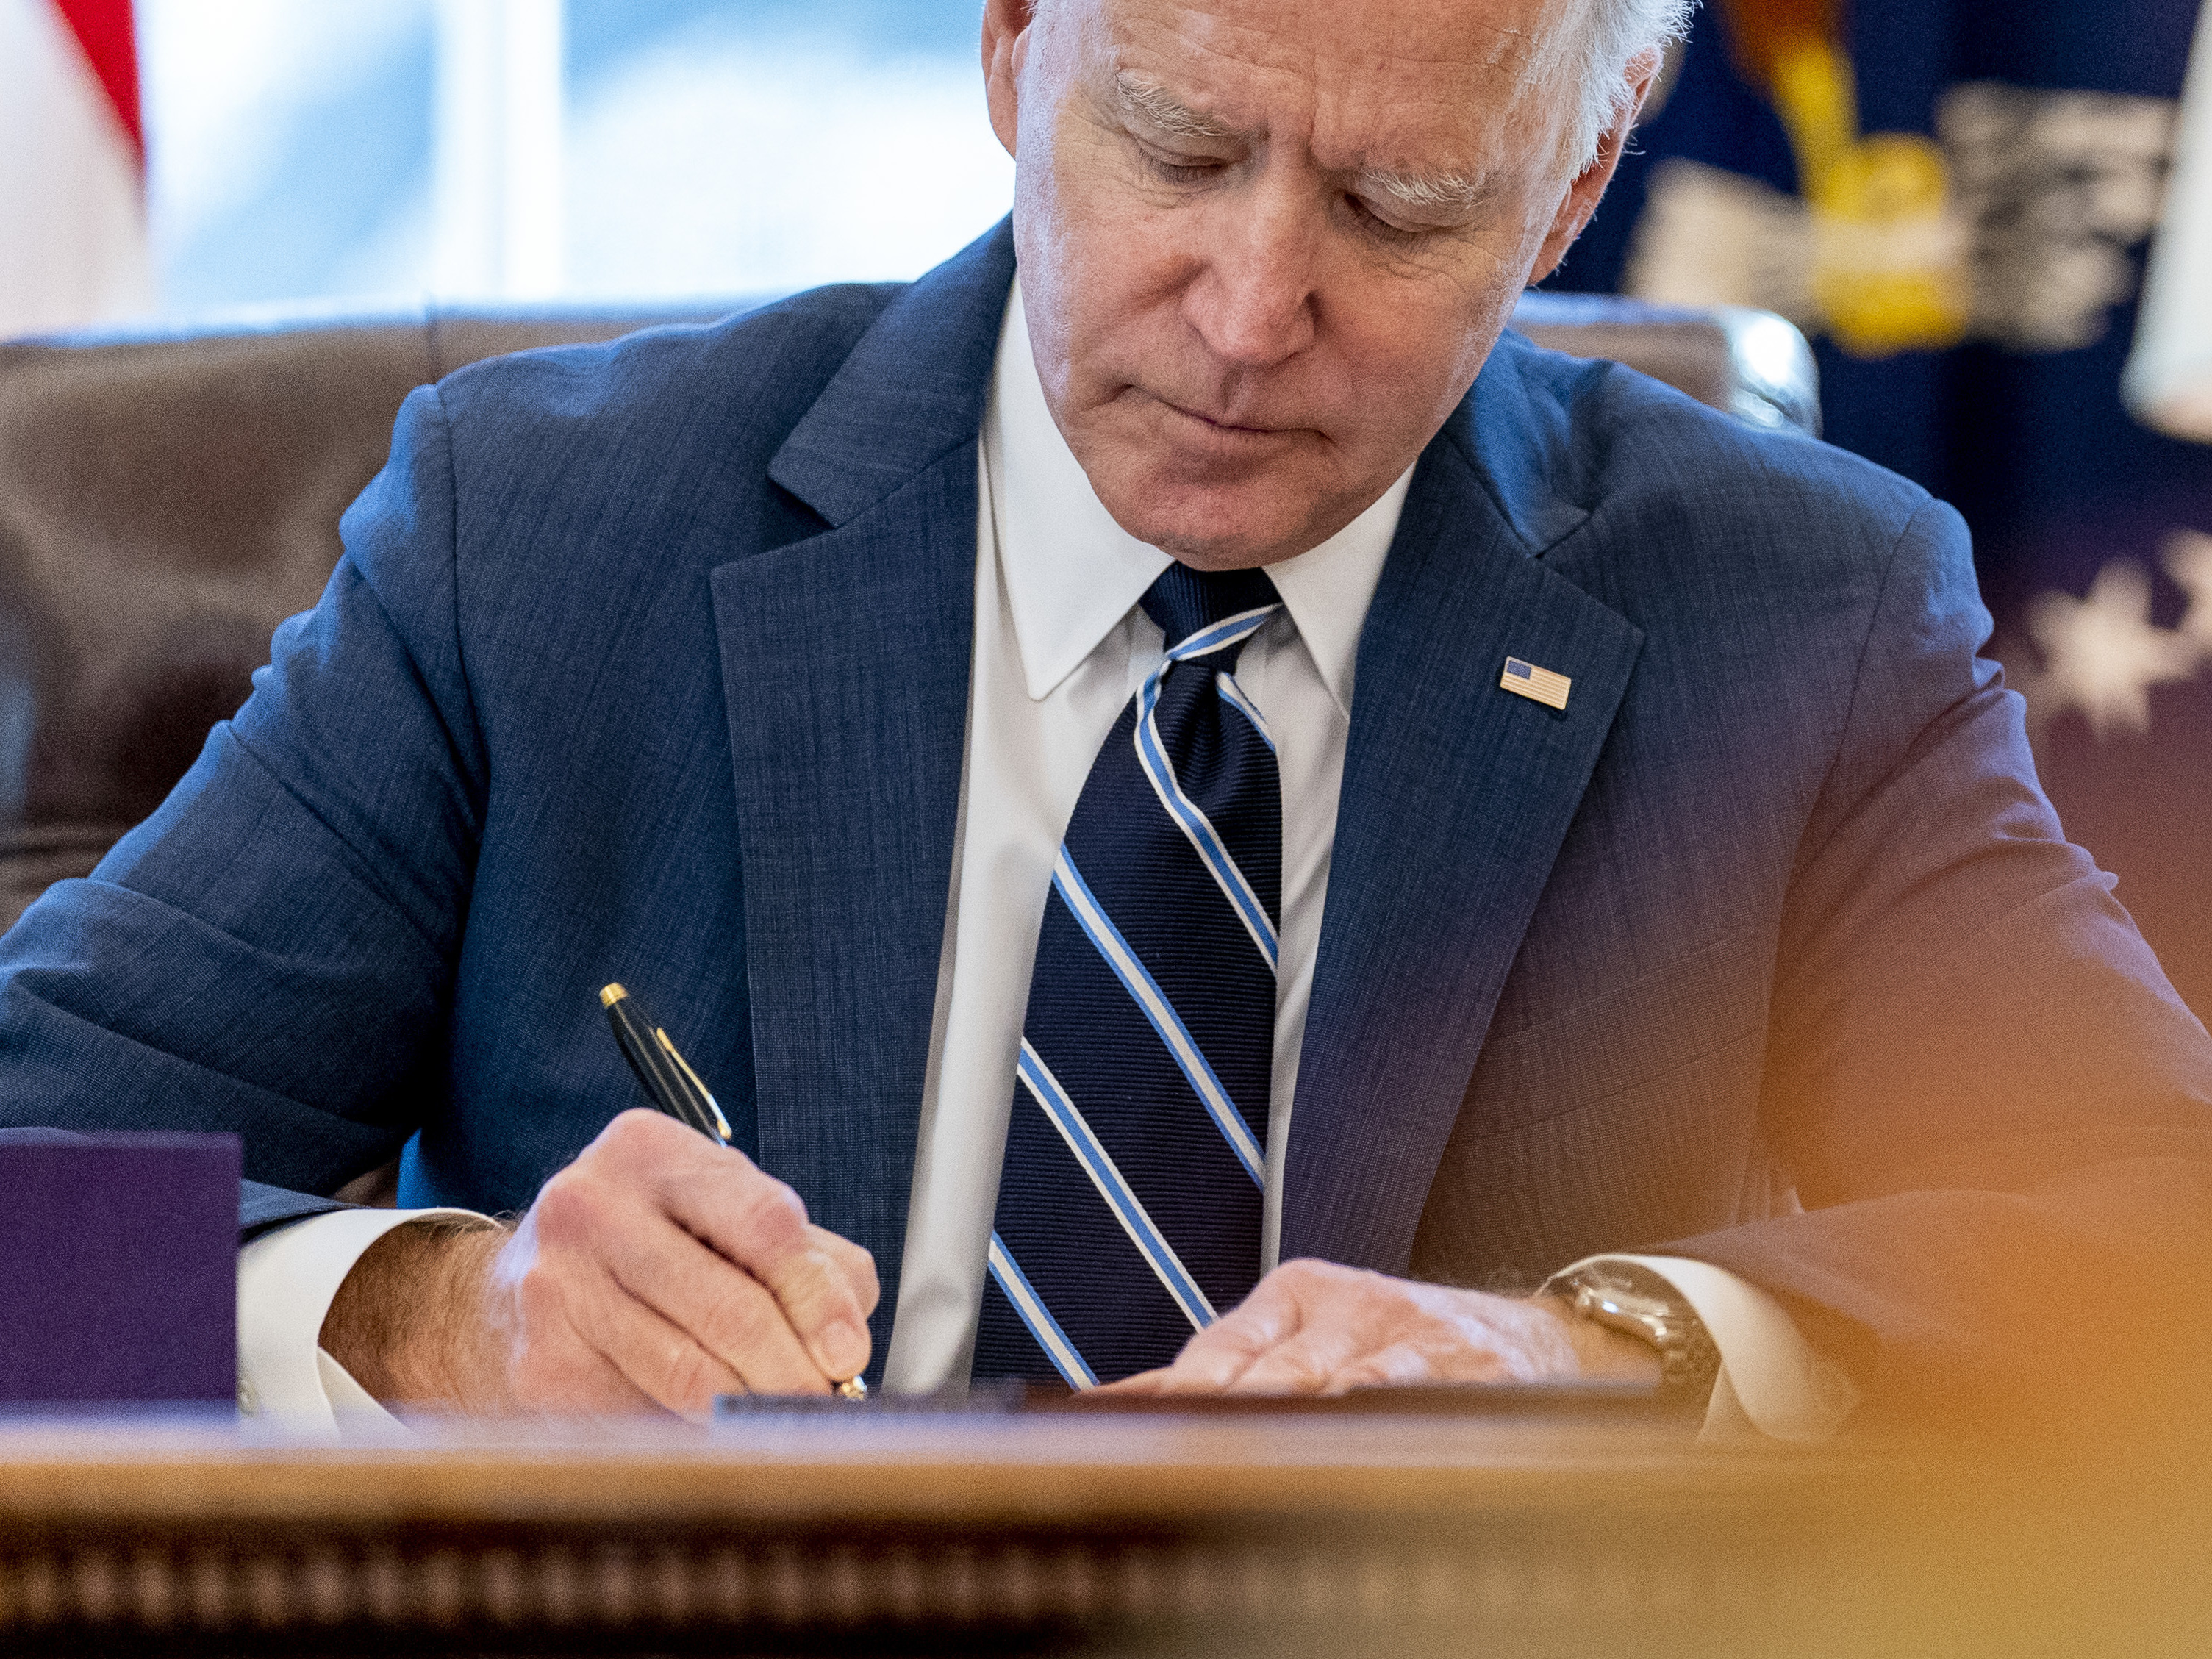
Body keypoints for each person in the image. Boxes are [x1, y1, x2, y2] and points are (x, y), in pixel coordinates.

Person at [4, 0, 2210, 1433]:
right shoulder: (541, 536)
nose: (1253, 314)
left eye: (1394, 205)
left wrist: (1596, 1351)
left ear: (1579, 168)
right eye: (1171, 149)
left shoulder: (1795, 616)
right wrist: (427, 1318)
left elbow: (2156, 1242)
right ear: (1007, 49)